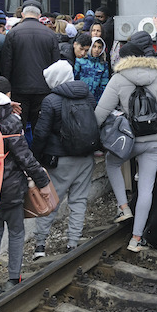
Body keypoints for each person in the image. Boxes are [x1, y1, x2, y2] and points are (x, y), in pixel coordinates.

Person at [94, 32, 157, 252]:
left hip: (130, 139)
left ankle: (124, 207)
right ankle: (136, 239)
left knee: (112, 163)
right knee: (146, 188)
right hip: (155, 141)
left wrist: (90, 136)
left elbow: (101, 112)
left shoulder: (119, 78)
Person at [0, 77, 51, 298]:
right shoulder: (10, 123)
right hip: (10, 190)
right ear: (7, 96)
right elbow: (25, 158)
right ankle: (13, 279)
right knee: (16, 232)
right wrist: (43, 181)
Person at [30, 61, 97, 257]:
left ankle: (40, 246)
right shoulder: (88, 95)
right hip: (85, 157)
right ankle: (73, 243)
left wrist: (35, 159)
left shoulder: (50, 100)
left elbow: (41, 133)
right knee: (79, 201)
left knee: (50, 202)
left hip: (59, 160)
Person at [0, 1, 59, 130]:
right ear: (40, 15)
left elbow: (6, 63)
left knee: (19, 124)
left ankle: (20, 149)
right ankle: (38, 150)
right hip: (44, 89)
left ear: (22, 14)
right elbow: (56, 64)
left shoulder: (13, 33)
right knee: (41, 126)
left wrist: (7, 88)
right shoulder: (50, 35)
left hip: (19, 89)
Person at [71, 33, 111, 101]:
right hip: (80, 96)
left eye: (99, 47)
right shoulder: (80, 61)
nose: (96, 50)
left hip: (95, 98)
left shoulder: (103, 65)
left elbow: (104, 83)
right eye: (94, 46)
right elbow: (75, 78)